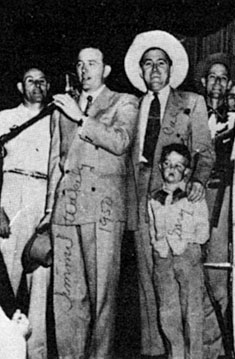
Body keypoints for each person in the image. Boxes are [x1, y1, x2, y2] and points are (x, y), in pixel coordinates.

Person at [41, 46, 139, 358]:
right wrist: (48, 211)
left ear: (106, 70)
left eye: (92, 64)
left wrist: (80, 117)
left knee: (103, 297)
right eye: (80, 64)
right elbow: (55, 161)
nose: (85, 70)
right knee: (67, 294)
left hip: (103, 212)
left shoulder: (124, 101)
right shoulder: (61, 109)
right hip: (67, 211)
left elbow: (120, 141)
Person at [124, 30, 214, 359]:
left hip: (180, 203)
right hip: (141, 203)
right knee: (151, 282)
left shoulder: (192, 103)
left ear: (171, 68)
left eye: (161, 63)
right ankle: (157, 352)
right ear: (141, 71)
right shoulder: (130, 106)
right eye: (147, 64)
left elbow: (205, 153)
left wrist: (199, 183)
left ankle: (196, 353)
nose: (155, 69)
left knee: (188, 283)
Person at [0, 67, 51, 359]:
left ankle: (37, 352)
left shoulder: (57, 120)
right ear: (20, 86)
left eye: (42, 81)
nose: (37, 86)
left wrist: (51, 211)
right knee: (5, 277)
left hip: (42, 193)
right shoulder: (4, 118)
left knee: (41, 279)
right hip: (12, 192)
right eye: (31, 81)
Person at [195, 52, 235, 358]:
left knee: (218, 273)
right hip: (192, 199)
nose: (217, 83)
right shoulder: (190, 115)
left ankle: (221, 348)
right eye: (212, 77)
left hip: (221, 198)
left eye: (223, 78)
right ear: (203, 82)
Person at [149, 143, 209, 359]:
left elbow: (203, 227)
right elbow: (152, 227)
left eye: (178, 165)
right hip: (163, 258)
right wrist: (158, 246)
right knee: (168, 312)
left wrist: (193, 243)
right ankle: (176, 354)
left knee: (192, 311)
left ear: (186, 171)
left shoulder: (193, 196)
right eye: (167, 164)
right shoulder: (154, 198)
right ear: (159, 167)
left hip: (187, 256)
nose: (171, 169)